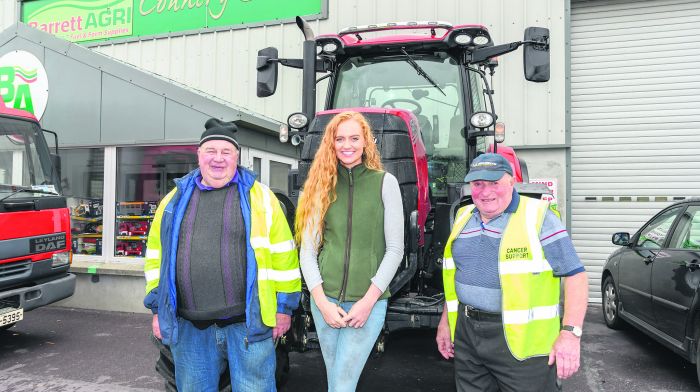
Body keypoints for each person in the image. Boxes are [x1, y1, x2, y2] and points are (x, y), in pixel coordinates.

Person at [143, 118, 301, 392]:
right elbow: (156, 257)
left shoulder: (262, 199)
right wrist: (158, 309)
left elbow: (284, 258)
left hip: (248, 324)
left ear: (237, 157)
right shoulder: (173, 201)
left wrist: (283, 308)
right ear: (199, 155)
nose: (218, 159)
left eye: (226, 152)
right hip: (190, 327)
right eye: (211, 151)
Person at [435, 153, 588, 392]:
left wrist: (570, 334)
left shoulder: (538, 217)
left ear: (511, 182)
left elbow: (575, 275)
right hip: (467, 335)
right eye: (478, 184)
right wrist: (445, 323)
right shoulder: (464, 217)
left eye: (494, 183)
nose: (486, 192)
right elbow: (458, 276)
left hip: (522, 345)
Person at [296, 111, 404, 392]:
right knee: (337, 380)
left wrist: (368, 301)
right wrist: (320, 302)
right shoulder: (321, 187)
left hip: (367, 303)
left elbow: (395, 250)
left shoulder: (385, 183)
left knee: (342, 383)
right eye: (340, 139)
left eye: (355, 138)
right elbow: (307, 252)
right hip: (326, 303)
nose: (347, 145)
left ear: (366, 141)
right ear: (330, 144)